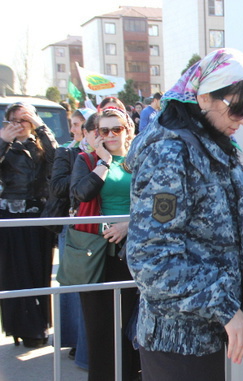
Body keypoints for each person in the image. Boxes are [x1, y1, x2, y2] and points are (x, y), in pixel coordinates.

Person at [126, 48, 243, 381]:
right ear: (204, 98)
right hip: (176, 343)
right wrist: (225, 307)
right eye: (238, 108)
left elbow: (221, 242)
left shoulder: (207, 145)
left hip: (200, 338)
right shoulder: (171, 151)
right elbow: (151, 259)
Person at [71, 108, 140, 381]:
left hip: (135, 251)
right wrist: (104, 162)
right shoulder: (86, 160)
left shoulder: (140, 161)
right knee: (100, 330)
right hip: (98, 253)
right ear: (96, 135)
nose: (111, 135)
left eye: (117, 129)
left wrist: (129, 224)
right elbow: (81, 194)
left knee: (132, 327)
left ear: (128, 131)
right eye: (104, 131)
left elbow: (157, 203)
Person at [0, 102, 58, 347]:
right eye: (14, 120)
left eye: (24, 120)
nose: (19, 125)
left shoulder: (40, 144)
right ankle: (19, 328)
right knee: (14, 275)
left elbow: (58, 158)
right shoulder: (5, 145)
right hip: (10, 218)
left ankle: (38, 326)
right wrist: (3, 140)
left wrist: (40, 125)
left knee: (38, 273)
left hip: (37, 217)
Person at [50, 111, 97, 368]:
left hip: (105, 232)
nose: (77, 130)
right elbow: (60, 187)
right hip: (78, 228)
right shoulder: (69, 154)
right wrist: (86, 170)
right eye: (76, 126)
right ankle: (78, 346)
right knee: (78, 291)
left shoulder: (121, 157)